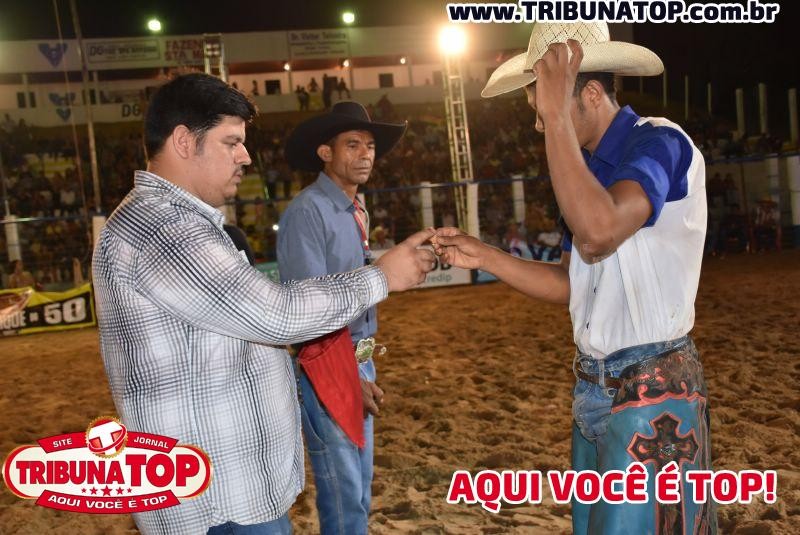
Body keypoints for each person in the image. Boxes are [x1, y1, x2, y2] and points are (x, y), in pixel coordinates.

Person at [92, 73, 435, 535]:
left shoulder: (174, 222)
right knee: (345, 488)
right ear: (183, 142)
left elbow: (234, 337)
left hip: (225, 483)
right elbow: (278, 315)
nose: (245, 156)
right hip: (219, 497)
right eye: (231, 142)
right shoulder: (164, 229)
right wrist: (382, 277)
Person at [433, 22, 715, 534]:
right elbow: (573, 280)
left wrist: (557, 117)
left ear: (587, 93)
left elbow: (598, 232)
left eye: (544, 109)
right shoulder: (583, 168)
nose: (541, 126)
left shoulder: (661, 141)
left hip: (651, 388)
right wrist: (488, 257)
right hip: (598, 385)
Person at [278, 101, 407, 535]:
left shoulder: (353, 208)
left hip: (357, 355)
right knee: (343, 491)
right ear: (325, 152)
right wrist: (350, 371)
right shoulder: (308, 212)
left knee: (355, 487)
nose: (366, 154)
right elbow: (309, 311)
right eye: (352, 144)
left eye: (369, 146)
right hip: (329, 362)